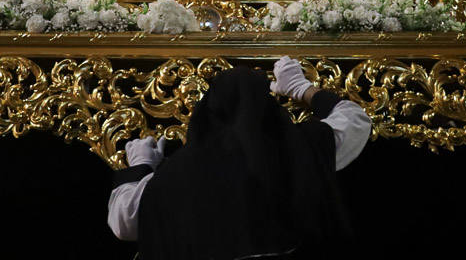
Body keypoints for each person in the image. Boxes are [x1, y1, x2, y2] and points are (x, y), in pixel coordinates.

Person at [107, 57, 372, 259]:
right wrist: (302, 89)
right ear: (269, 110)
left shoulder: (174, 175)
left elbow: (124, 222)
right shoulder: (297, 149)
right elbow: (355, 122)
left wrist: (141, 166)